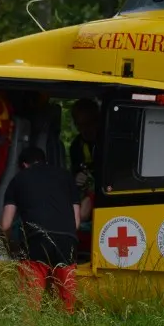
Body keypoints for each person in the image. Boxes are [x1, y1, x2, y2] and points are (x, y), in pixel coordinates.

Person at [0, 145, 81, 312]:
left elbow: (6, 225)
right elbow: (76, 222)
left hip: (36, 241)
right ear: (44, 161)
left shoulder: (18, 179)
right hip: (67, 242)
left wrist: (11, 248)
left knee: (29, 308)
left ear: (23, 165)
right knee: (67, 306)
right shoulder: (66, 177)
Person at [68, 98, 101, 246]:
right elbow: (76, 169)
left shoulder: (108, 140)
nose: (85, 130)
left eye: (88, 124)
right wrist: (78, 177)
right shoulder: (76, 145)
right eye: (80, 125)